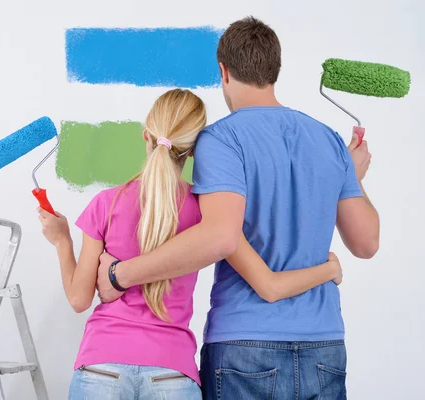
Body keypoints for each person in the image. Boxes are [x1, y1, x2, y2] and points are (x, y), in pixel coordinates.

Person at [95, 17, 379, 400]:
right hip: (324, 344)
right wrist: (354, 175)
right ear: (274, 70)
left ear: (223, 72)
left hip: (244, 346)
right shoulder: (328, 139)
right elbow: (366, 243)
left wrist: (120, 275)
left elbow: (219, 236)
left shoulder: (220, 139)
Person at [38, 89, 348, 400]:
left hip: (100, 368)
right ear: (194, 150)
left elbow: (79, 299)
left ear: (145, 136)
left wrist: (62, 240)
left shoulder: (106, 203)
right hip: (172, 373)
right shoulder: (207, 213)